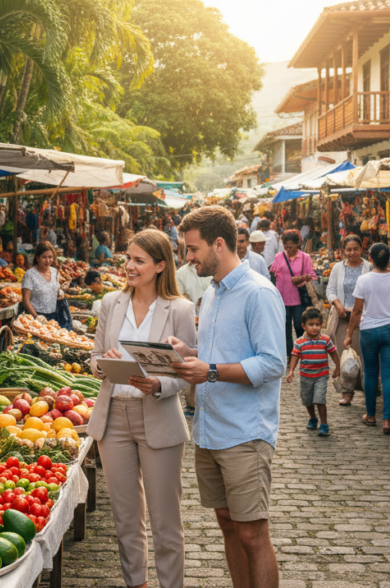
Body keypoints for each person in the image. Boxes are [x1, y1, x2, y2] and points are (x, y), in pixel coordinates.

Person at [167, 205, 286, 588]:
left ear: (219, 244)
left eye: (193, 249)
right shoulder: (214, 292)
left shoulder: (258, 293)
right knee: (228, 525)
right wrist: (188, 353)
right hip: (211, 429)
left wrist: (211, 371)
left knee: (253, 534)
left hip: (245, 433)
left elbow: (273, 364)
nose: (188, 258)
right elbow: (217, 355)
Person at [89, 230, 195, 588]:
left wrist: (160, 384)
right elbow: (94, 358)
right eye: (128, 258)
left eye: (139, 260)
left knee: (166, 523)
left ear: (160, 265)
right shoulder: (109, 302)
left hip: (159, 415)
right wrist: (104, 363)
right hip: (113, 418)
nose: (129, 266)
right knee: (125, 519)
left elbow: (188, 370)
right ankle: (137, 583)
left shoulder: (180, 309)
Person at [344, 243, 390, 435]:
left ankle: (371, 415)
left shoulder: (364, 280)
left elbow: (357, 310)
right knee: (389, 374)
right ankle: (387, 421)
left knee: (371, 372)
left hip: (369, 331)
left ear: (370, 258)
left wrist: (349, 333)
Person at [325, 235, 372, 406]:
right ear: (343, 250)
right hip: (342, 318)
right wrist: (337, 303)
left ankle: (368, 390)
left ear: (361, 249)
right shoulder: (338, 268)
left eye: (355, 249)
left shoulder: (369, 267)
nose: (352, 253)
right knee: (343, 357)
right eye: (348, 249)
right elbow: (330, 290)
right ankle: (347, 392)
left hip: (363, 319)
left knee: (363, 356)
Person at [285, 308, 340, 437]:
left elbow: (333, 352)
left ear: (321, 324)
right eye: (311, 324)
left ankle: (324, 424)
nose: (314, 328)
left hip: (321, 376)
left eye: (317, 324)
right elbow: (295, 357)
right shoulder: (299, 342)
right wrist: (291, 371)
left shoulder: (325, 340)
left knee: (320, 399)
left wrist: (338, 367)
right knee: (308, 400)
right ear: (304, 326)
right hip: (306, 377)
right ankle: (313, 418)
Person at [269, 230, 316, 363]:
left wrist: (301, 278)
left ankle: (301, 351)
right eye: (286, 246)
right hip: (281, 298)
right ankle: (290, 354)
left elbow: (312, 276)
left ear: (297, 244)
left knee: (299, 325)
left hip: (298, 299)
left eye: (291, 246)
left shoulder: (305, 257)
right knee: (285, 328)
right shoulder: (279, 256)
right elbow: (272, 274)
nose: (288, 249)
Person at [21, 241, 62, 319]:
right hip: (36, 317)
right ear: (37, 258)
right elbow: (26, 300)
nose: (47, 260)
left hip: (54, 316)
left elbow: (55, 292)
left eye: (50, 257)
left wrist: (61, 291)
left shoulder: (54, 272)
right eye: (44, 257)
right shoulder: (30, 275)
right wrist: (37, 317)